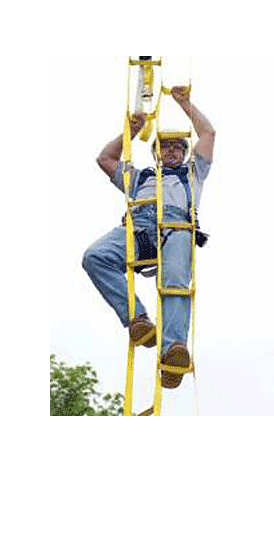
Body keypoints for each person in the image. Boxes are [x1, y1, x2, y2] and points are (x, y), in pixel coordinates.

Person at [82, 86, 216, 389]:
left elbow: (208, 134)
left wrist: (184, 103)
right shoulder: (140, 177)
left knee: (175, 281)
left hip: (176, 228)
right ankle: (138, 320)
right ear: (156, 153)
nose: (172, 151)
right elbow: (105, 159)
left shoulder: (192, 173)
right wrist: (131, 131)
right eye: (165, 147)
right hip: (141, 228)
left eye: (177, 148)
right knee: (95, 256)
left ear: (184, 154)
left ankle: (173, 350)